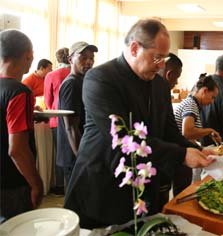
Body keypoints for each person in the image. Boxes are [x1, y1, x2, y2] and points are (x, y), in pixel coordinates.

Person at [64, 19, 214, 229]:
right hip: (102, 186)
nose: (161, 65)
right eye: (157, 57)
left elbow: (168, 130)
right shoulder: (100, 79)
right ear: (134, 48)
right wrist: (181, 155)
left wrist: (196, 149)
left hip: (142, 189)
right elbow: (125, 139)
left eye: (164, 58)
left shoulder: (160, 85)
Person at [157, 75, 221, 210]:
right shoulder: (191, 105)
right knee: (182, 193)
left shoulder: (191, 103)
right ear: (204, 91)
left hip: (180, 150)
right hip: (180, 154)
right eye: (212, 97)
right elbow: (187, 132)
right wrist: (209, 130)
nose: (212, 101)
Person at [0, 29, 44, 221]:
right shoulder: (20, 92)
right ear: (29, 55)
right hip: (12, 183)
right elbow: (16, 150)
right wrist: (36, 184)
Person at [57, 42, 97, 186]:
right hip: (75, 156)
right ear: (70, 59)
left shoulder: (82, 81)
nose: (88, 62)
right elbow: (71, 127)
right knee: (76, 206)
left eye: (91, 58)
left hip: (81, 153)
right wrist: (83, 161)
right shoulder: (72, 84)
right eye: (83, 57)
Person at [44, 47, 71, 195]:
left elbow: (48, 101)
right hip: (75, 117)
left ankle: (60, 186)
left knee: (60, 153)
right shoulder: (77, 73)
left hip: (57, 119)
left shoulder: (52, 75)